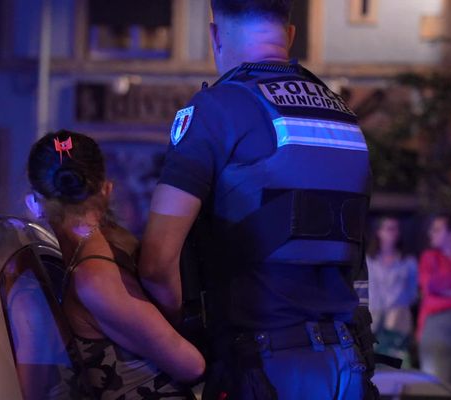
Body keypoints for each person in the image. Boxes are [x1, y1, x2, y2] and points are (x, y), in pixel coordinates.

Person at [138, 1, 378, 399]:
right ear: (290, 34)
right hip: (346, 365)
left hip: (259, 367)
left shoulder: (217, 110)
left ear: (214, 35)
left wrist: (178, 343)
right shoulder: (345, 119)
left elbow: (156, 264)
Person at [25, 130, 205, 399]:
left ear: (34, 203)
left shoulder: (94, 279)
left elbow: (191, 365)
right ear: (106, 190)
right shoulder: (110, 246)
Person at [366, 216, 417, 368]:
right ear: (378, 232)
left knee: (396, 365)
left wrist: (397, 307)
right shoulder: (368, 260)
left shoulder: (408, 262)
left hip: (398, 322)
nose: (393, 233)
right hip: (372, 320)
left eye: (396, 229)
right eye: (389, 228)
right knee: (373, 365)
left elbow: (413, 293)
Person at [417, 214, 451, 387]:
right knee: (436, 388)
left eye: (437, 229)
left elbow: (439, 286)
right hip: (436, 329)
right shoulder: (430, 257)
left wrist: (445, 291)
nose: (431, 233)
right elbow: (430, 286)